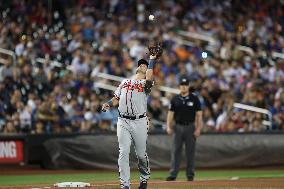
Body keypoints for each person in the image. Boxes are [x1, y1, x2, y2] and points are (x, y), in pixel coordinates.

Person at [102, 54, 157, 189]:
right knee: (123, 151)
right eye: (140, 64)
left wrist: (151, 60)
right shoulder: (125, 82)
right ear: (137, 67)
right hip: (123, 121)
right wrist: (108, 103)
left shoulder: (146, 83)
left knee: (141, 154)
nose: (142, 65)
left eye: (144, 65)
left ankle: (144, 178)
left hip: (140, 122)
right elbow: (116, 98)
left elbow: (149, 78)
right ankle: (125, 185)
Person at [166, 76, 203, 181]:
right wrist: (168, 126)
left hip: (190, 127)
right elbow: (170, 114)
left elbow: (199, 115)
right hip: (177, 127)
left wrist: (198, 129)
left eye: (185, 85)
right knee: (175, 151)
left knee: (190, 152)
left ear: (188, 86)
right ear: (179, 86)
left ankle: (190, 174)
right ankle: (173, 174)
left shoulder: (194, 99)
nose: (183, 87)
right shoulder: (175, 99)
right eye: (182, 85)